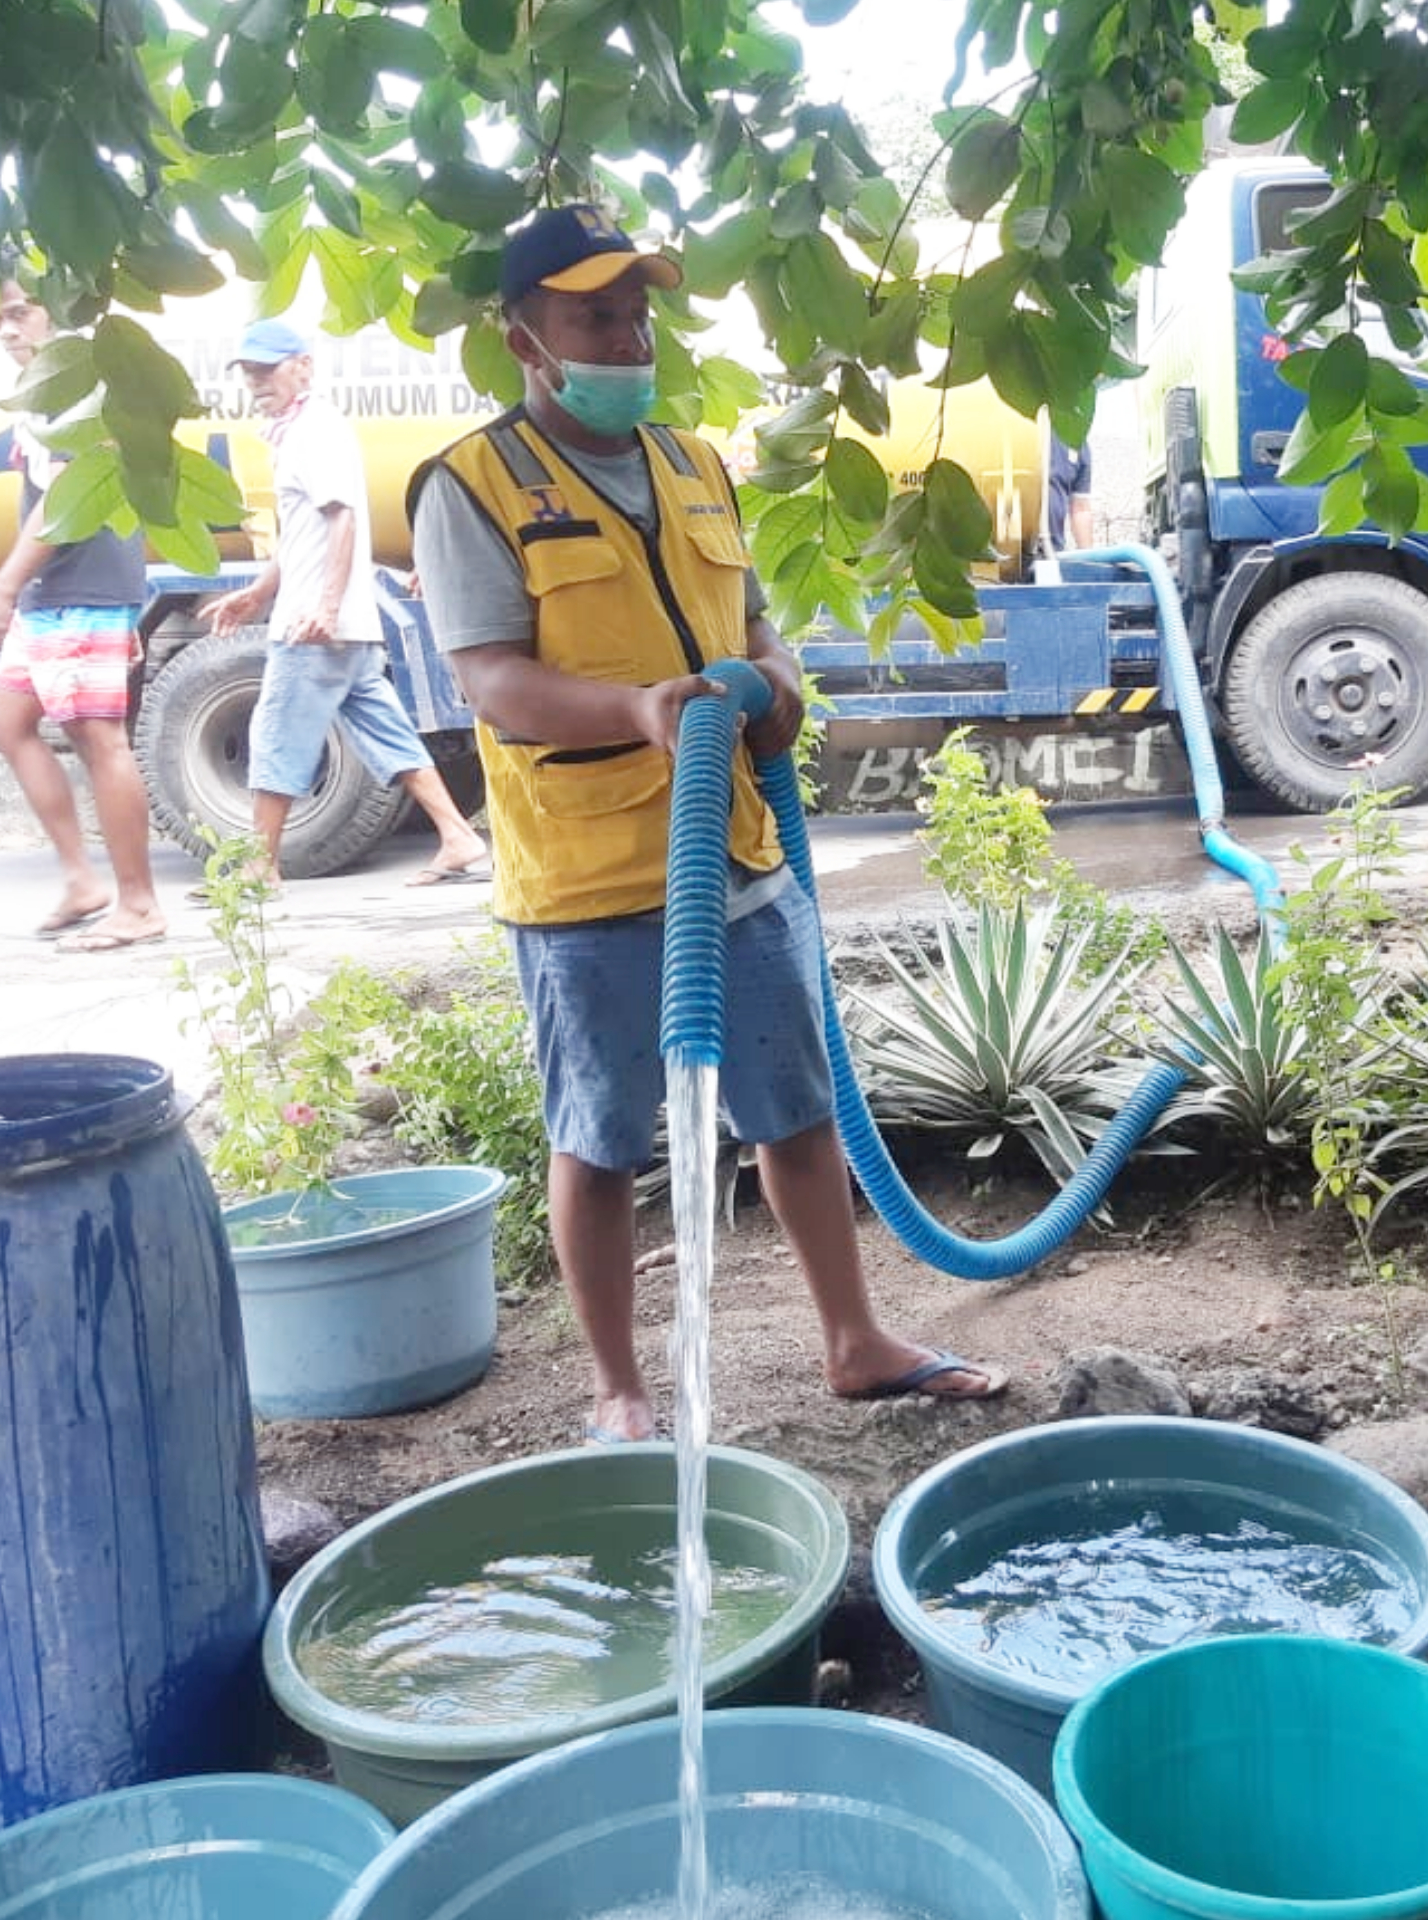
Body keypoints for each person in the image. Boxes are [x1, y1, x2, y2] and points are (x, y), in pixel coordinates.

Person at [409, 203, 1008, 1443]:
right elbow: (492, 682)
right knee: (601, 1137)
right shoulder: (474, 486)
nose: (627, 339)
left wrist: (777, 685)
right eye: (594, 317)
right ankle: (621, 1394)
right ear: (525, 335)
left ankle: (853, 1342)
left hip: (735, 850)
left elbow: (750, 632)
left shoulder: (693, 461)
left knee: (794, 1108)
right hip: (590, 879)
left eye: (636, 314)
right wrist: (634, 709)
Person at [197, 321, 489, 888]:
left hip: (315, 627)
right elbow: (305, 533)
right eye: (251, 372)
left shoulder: (313, 430)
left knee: (276, 734)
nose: (258, 381)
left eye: (268, 368)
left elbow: (343, 518)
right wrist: (260, 591)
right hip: (341, 624)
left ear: (303, 366)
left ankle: (260, 866)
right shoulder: (300, 431)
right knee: (388, 734)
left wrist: (325, 608)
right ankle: (457, 834)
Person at [0, 277, 168, 952]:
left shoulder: (77, 390)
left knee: (96, 738)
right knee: (6, 721)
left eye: (19, 313)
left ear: (56, 314)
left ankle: (138, 904)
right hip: (49, 593)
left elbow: (67, 502)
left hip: (81, 585)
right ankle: (82, 881)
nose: (6, 330)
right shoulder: (43, 398)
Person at [1046, 433, 1094, 556]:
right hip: (996, 552)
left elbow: (1080, 508)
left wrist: (1088, 558)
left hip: (1050, 552)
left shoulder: (1076, 442)